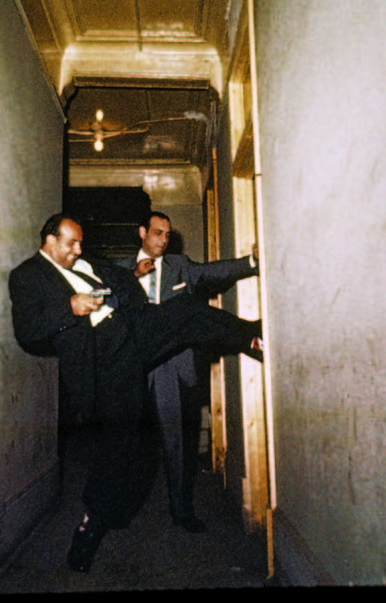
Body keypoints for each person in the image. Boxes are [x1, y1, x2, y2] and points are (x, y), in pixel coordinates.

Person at [7, 213, 262, 573]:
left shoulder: (87, 262)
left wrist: (136, 281)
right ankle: (92, 524)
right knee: (122, 443)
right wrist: (69, 307)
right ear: (50, 240)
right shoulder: (26, 276)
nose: (79, 249)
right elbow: (26, 328)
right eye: (72, 243)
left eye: (80, 242)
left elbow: (121, 281)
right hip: (103, 357)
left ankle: (251, 335)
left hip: (132, 328)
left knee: (185, 311)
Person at [117, 211, 259, 533]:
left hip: (170, 367)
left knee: (177, 443)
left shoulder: (179, 266)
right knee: (128, 444)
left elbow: (211, 272)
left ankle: (181, 511)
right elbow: (106, 304)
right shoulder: (120, 270)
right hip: (133, 366)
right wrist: (131, 279)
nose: (163, 240)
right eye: (157, 233)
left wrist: (249, 263)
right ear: (142, 232)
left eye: (167, 235)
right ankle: (119, 509)